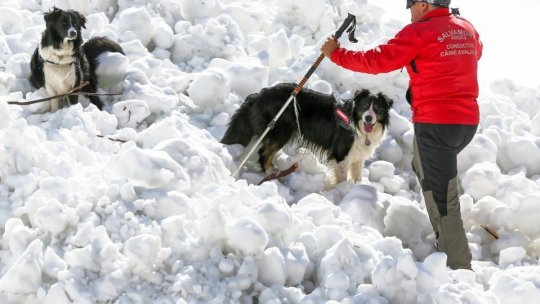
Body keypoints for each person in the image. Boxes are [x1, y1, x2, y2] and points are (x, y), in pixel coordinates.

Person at [321, 0, 482, 270]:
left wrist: (336, 54)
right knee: (425, 169)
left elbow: (377, 60)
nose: (410, 13)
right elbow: (476, 52)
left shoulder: (419, 31)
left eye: (410, 6)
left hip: (437, 124)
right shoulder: (466, 28)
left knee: (443, 198)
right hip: (465, 123)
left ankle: (458, 267)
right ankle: (447, 242)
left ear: (422, 4)